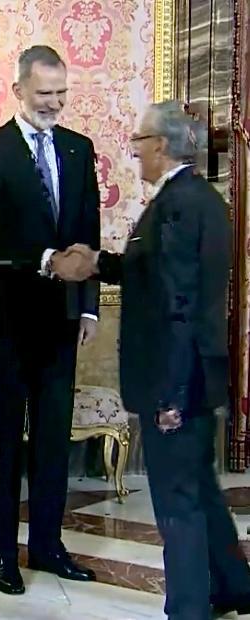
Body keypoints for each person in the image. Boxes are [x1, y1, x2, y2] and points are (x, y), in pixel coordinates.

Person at [52, 101, 250, 620]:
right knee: (200, 490)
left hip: (177, 379)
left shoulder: (178, 205)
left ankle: (188, 610)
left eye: (139, 140)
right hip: (193, 374)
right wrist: (99, 262)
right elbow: (156, 274)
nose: (134, 149)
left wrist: (171, 395)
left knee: (177, 502)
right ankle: (234, 587)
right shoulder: (196, 198)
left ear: (160, 145)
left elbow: (177, 305)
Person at [0, 45, 100, 596]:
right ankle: (3, 555)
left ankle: (48, 545)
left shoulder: (78, 148)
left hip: (61, 321)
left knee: (51, 440)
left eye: (61, 93)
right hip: (5, 320)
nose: (55, 103)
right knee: (2, 441)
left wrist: (87, 303)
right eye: (45, 93)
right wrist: (47, 260)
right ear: (19, 90)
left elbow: (88, 231)